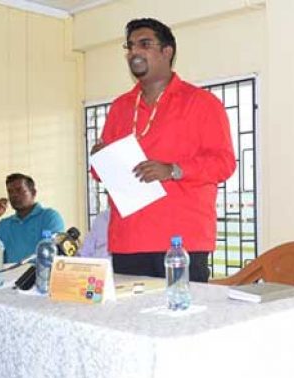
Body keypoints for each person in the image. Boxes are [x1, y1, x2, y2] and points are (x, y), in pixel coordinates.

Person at [90, 18, 235, 282]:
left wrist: (173, 170)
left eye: (144, 44)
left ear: (167, 52)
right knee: (128, 323)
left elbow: (224, 163)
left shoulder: (202, 103)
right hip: (127, 240)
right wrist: (102, 158)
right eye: (130, 46)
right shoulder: (120, 107)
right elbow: (99, 174)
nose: (134, 52)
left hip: (180, 242)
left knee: (182, 322)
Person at [0, 173, 65, 263]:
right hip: (11, 277)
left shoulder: (49, 217)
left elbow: (54, 255)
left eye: (19, 190)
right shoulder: (4, 225)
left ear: (33, 193)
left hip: (41, 276)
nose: (14, 195)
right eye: (10, 192)